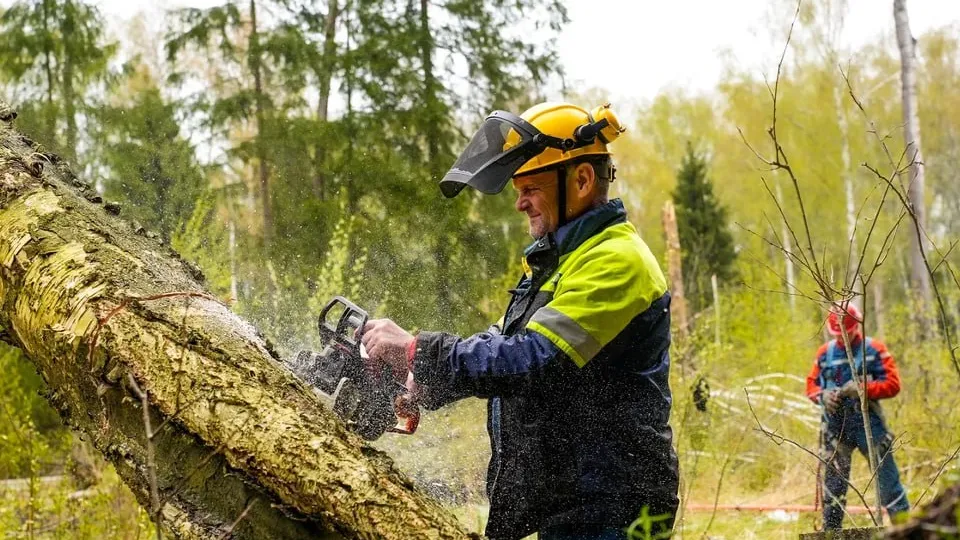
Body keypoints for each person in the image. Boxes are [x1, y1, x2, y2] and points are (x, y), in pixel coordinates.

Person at [361, 102, 680, 540]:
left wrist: (418, 348)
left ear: (583, 179)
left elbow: (534, 360)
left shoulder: (617, 261)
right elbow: (503, 342)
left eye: (530, 187)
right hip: (569, 501)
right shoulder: (560, 260)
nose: (519, 202)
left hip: (612, 507)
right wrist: (421, 381)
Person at [805, 303, 910, 529]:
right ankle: (832, 533)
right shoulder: (824, 354)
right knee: (834, 486)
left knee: (888, 483)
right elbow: (811, 386)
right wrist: (822, 397)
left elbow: (893, 385)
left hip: (869, 425)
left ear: (856, 327)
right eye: (838, 333)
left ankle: (906, 530)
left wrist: (864, 389)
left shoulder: (875, 350)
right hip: (836, 428)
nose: (843, 337)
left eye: (848, 331)